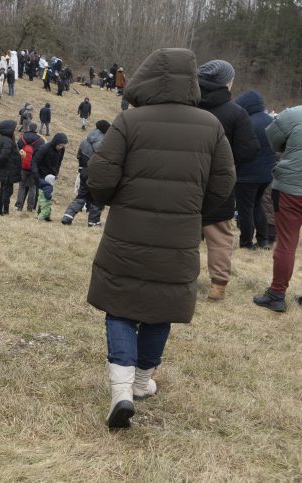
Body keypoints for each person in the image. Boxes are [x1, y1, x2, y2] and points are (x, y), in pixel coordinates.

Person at [86, 48, 234, 429]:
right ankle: (140, 381)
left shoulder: (129, 121)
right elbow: (223, 185)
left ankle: (120, 391)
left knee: (120, 305)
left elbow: (99, 176)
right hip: (180, 236)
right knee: (162, 305)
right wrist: (194, 210)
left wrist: (113, 200)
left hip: (126, 233)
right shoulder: (211, 126)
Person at [197, 60, 259, 301]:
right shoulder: (235, 112)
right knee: (220, 236)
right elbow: (250, 149)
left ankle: (183, 278)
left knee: (185, 233)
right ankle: (218, 285)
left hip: (186, 179)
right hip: (220, 183)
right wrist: (227, 162)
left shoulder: (187, 105)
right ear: (227, 82)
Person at [252, 104, 302, 312]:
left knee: (286, 244)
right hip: (291, 188)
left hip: (291, 189)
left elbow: (273, 139)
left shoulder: (293, 114)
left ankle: (276, 294)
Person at [234, 91, 276, 250]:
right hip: (266, 174)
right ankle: (263, 240)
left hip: (247, 175)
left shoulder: (247, 122)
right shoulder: (271, 121)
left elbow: (239, 148)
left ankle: (246, 243)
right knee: (257, 205)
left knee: (245, 209)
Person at [62, 120, 110, 227]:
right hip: (97, 174)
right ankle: (93, 222)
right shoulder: (104, 143)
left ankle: (68, 215)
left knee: (82, 195)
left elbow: (79, 155)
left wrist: (81, 169)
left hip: (84, 172)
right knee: (97, 198)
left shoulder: (85, 140)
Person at [14, 123, 44, 213]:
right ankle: (30, 208)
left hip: (23, 166)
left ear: (29, 128)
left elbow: (17, 149)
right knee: (33, 187)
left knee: (21, 186)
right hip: (34, 168)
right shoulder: (40, 140)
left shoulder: (22, 138)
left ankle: (19, 206)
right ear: (36, 129)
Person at [0, 119, 21, 215]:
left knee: (4, 189)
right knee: (6, 191)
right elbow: (4, 155)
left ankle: (1, 209)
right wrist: (1, 164)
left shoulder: (4, 139)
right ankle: (2, 209)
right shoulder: (7, 141)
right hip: (8, 171)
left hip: (6, 170)